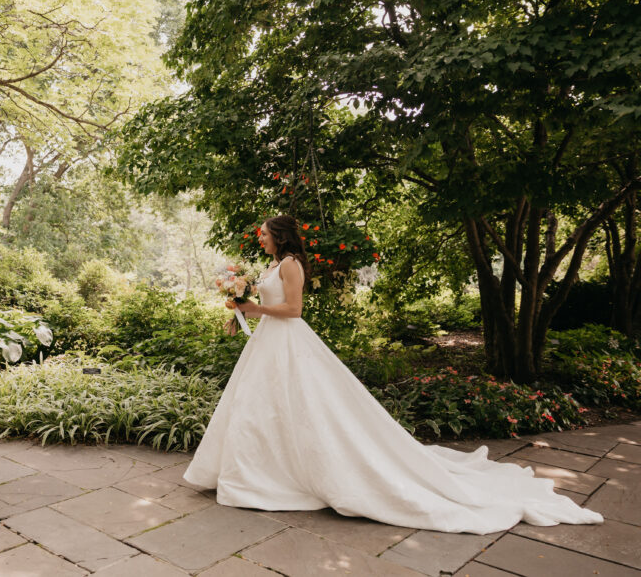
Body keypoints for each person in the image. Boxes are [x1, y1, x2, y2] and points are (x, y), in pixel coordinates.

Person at [183, 215, 602, 533]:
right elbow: (264, 303)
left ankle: (282, 474)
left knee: (300, 406)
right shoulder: (273, 265)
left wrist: (254, 308)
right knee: (258, 409)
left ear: (281, 236)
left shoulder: (291, 263)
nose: (261, 238)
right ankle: (254, 471)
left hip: (288, 342)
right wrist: (239, 309)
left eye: (265, 233)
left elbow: (294, 310)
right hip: (266, 344)